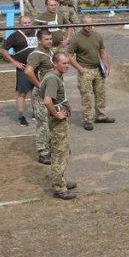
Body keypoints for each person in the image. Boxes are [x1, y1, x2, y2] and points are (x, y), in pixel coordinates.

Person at [39, 52, 78, 200]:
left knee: (64, 152)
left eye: (68, 63)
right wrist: (57, 114)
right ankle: (59, 188)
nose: (67, 66)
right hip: (58, 123)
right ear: (54, 63)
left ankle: (61, 180)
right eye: (64, 63)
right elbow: (47, 101)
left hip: (61, 121)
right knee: (59, 155)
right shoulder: (52, 79)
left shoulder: (55, 76)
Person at [66, 16, 114, 131]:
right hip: (85, 70)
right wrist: (80, 69)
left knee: (100, 94)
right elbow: (69, 56)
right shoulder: (76, 39)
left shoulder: (97, 36)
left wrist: (107, 65)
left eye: (91, 24)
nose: (89, 26)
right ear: (81, 24)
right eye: (86, 24)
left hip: (98, 69)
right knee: (86, 96)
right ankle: (88, 119)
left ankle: (100, 116)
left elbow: (102, 51)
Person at [24, 29, 55, 165]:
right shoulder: (36, 54)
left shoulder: (50, 52)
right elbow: (28, 71)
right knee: (43, 123)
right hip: (42, 93)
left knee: (52, 120)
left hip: (53, 92)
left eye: (50, 39)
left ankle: (52, 147)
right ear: (40, 40)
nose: (49, 41)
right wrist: (40, 86)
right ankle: (43, 152)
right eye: (46, 39)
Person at [0, 16, 37, 126]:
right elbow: (2, 50)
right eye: (25, 23)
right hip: (23, 68)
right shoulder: (15, 36)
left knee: (37, 91)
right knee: (22, 92)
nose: (27, 24)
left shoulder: (36, 32)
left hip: (36, 67)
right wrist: (14, 62)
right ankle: (21, 116)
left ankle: (36, 112)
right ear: (20, 24)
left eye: (29, 22)